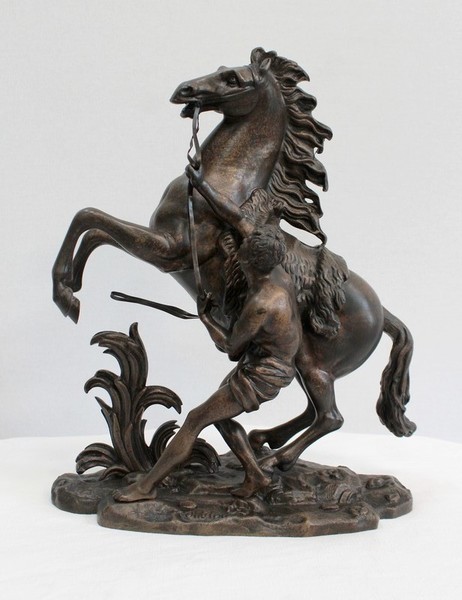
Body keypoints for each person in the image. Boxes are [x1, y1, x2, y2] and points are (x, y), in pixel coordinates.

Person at [114, 170, 302, 502]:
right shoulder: (277, 270)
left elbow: (230, 347)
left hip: (263, 373)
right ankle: (256, 476)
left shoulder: (261, 305)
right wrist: (202, 186)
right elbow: (235, 217)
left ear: (251, 263)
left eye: (241, 256)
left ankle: (146, 486)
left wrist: (205, 317)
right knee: (222, 418)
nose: (236, 256)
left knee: (194, 420)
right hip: (261, 362)